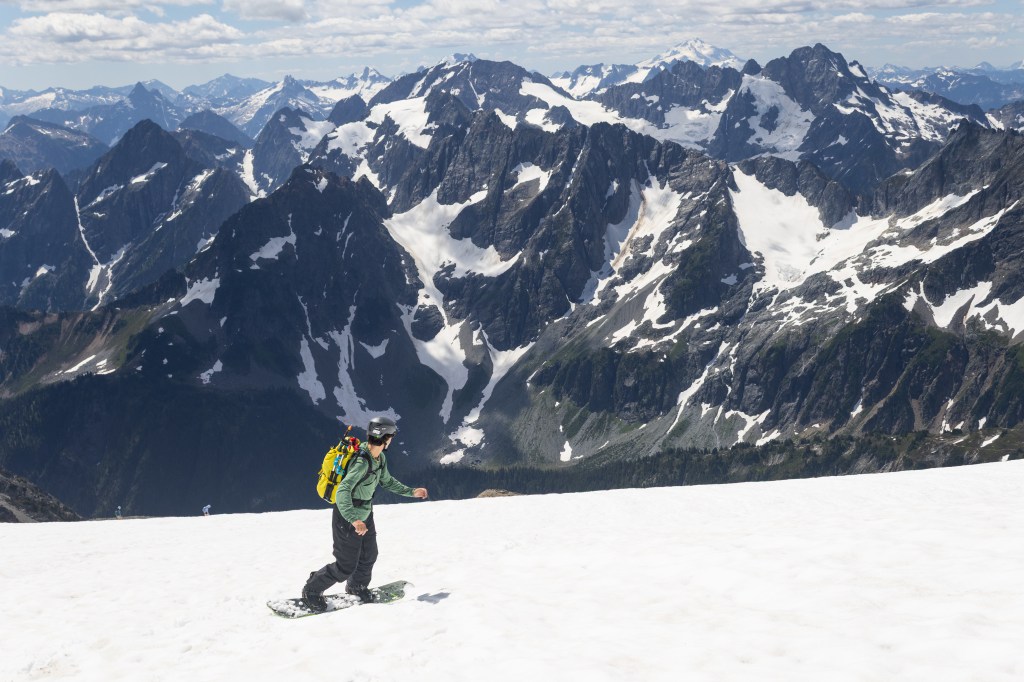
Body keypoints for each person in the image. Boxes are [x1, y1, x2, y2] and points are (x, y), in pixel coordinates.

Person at [302, 416, 428, 611]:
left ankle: (357, 587)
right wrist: (354, 519)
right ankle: (312, 589)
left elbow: (387, 481)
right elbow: (342, 492)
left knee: (369, 555)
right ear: (385, 438)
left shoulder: (379, 458)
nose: (391, 440)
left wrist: (411, 492)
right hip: (348, 516)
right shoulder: (361, 462)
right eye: (391, 436)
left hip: (365, 513)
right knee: (345, 565)